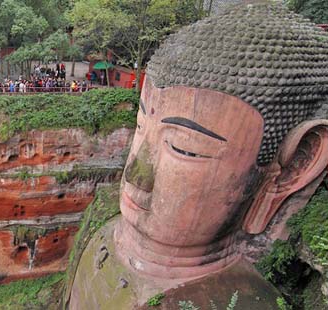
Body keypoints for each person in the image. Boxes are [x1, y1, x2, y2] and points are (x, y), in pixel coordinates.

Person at [69, 2, 328, 309]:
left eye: (184, 147)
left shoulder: (242, 301)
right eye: (140, 127)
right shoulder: (103, 232)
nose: (135, 174)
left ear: (295, 167)